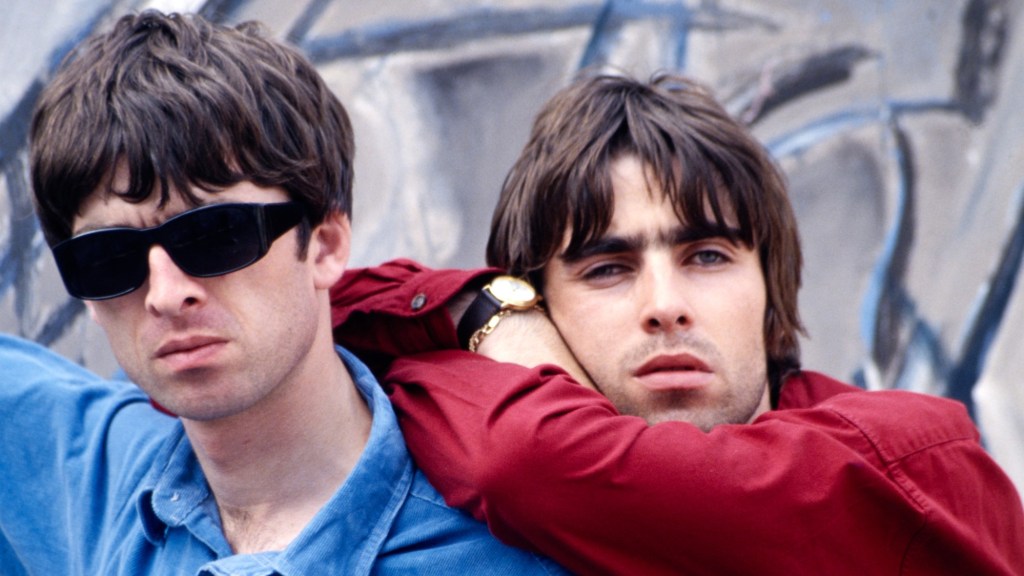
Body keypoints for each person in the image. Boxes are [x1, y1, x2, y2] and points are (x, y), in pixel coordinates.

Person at [329, 73, 1024, 575]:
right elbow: (315, 305)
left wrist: (482, 318)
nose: (665, 303)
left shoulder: (910, 464)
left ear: (770, 298)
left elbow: (524, 462)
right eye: (608, 268)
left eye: (709, 256)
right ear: (546, 311)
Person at [1, 11, 569, 575]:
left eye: (214, 237)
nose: (166, 294)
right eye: (109, 259)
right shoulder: (91, 478)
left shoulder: (502, 551)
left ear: (324, 246)